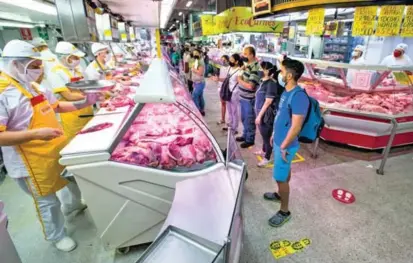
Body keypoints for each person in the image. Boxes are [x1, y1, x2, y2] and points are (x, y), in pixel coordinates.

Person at [0, 40, 102, 251]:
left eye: (39, 65)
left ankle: (73, 206)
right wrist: (36, 133)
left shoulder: (33, 85)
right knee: (47, 202)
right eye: (34, 66)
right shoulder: (3, 91)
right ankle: (56, 236)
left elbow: (55, 105)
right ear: (16, 65)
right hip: (28, 160)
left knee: (68, 180)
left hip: (52, 147)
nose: (39, 70)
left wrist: (83, 103)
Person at [263, 58, 309, 227]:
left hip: (286, 146)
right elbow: (281, 115)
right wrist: (274, 134)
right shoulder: (286, 91)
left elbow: (296, 127)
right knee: (284, 174)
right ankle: (279, 194)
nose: (279, 74)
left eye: (281, 71)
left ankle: (284, 210)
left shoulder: (298, 97)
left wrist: (283, 146)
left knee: (280, 177)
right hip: (279, 141)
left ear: (289, 75)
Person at [48, 41, 93, 140]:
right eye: (75, 57)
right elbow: (68, 96)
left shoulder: (77, 69)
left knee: (91, 137)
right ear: (65, 57)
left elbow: (88, 86)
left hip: (86, 109)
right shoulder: (56, 73)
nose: (78, 60)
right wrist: (91, 97)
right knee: (77, 140)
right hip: (71, 114)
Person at [254, 61, 282, 167]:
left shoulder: (271, 84)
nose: (259, 70)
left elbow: (268, 101)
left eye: (261, 69)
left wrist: (259, 115)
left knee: (266, 136)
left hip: (266, 115)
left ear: (267, 71)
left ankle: (267, 157)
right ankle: (263, 150)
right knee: (262, 134)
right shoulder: (263, 81)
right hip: (259, 111)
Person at [236, 46, 260, 148]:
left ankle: (250, 139)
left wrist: (239, 80)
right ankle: (245, 135)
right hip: (243, 97)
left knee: (249, 119)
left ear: (252, 55)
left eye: (245, 54)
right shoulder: (248, 65)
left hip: (249, 99)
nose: (243, 55)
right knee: (244, 118)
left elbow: (251, 86)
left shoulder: (255, 67)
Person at [224, 54, 243, 134]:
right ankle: (230, 125)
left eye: (232, 60)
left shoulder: (240, 71)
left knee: (234, 111)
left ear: (236, 61)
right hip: (228, 92)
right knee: (229, 110)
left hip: (235, 93)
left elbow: (240, 82)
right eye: (230, 59)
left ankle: (234, 128)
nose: (230, 61)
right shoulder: (229, 68)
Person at [215, 55, 230, 126]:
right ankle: (223, 119)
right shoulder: (221, 67)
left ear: (228, 60)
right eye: (222, 60)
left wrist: (219, 79)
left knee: (229, 105)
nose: (223, 61)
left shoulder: (230, 68)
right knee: (223, 103)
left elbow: (227, 79)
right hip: (221, 87)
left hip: (228, 88)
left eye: (224, 60)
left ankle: (230, 121)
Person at [191, 49, 206, 116]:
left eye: (196, 53)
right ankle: (201, 110)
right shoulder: (196, 61)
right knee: (200, 96)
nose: (195, 55)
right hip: (196, 82)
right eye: (194, 53)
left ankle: (198, 111)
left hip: (200, 82)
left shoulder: (200, 62)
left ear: (200, 53)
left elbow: (200, 73)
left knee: (194, 96)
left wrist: (193, 69)